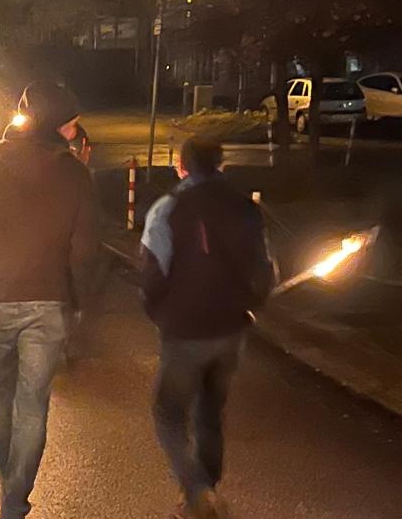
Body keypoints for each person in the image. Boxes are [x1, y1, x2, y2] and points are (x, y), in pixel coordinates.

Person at [0, 81, 98, 519]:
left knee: (0, 392)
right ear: (53, 123)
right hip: (49, 301)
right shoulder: (74, 174)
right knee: (33, 403)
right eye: (70, 124)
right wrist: (78, 300)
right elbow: (85, 249)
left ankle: (9, 485)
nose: (75, 132)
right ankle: (15, 498)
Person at [141, 138, 274, 519]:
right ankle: (207, 490)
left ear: (181, 166)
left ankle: (197, 491)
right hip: (231, 330)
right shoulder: (246, 208)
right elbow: (265, 270)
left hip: (185, 330)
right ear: (221, 165)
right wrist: (250, 306)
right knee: (211, 411)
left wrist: (159, 312)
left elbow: (152, 272)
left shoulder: (169, 208)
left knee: (168, 414)